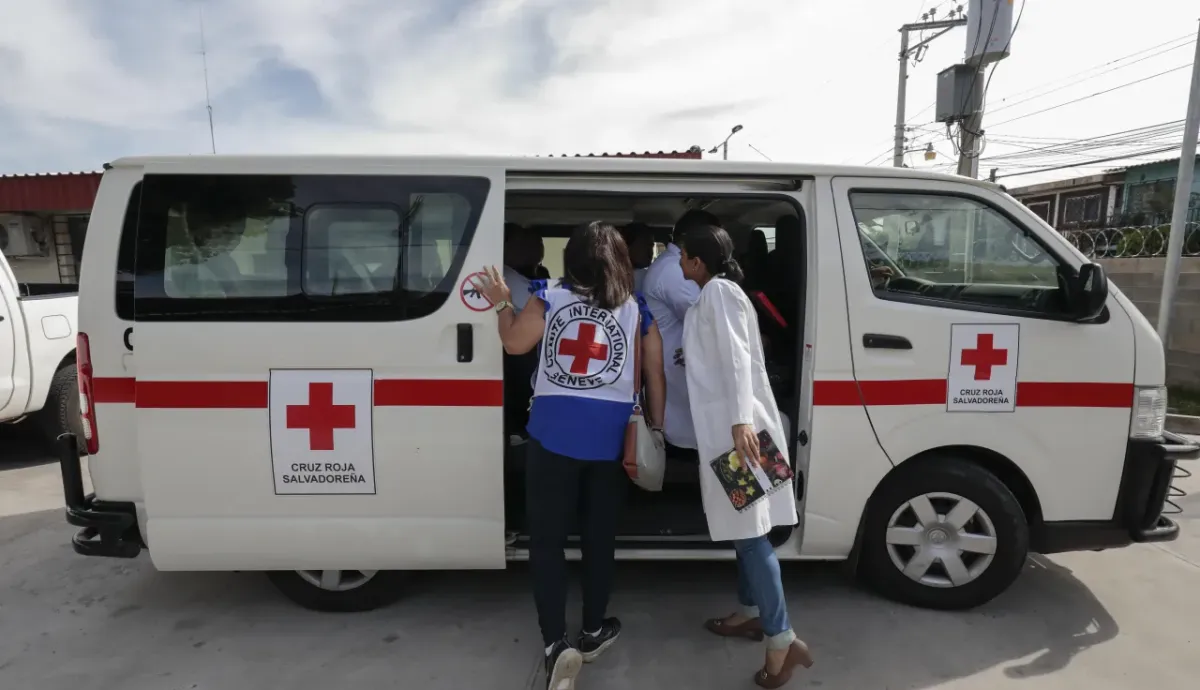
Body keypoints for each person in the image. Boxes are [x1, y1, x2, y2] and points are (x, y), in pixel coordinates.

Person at [471, 221, 667, 690]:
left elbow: (515, 343)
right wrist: (656, 428)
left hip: (551, 434)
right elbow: (655, 373)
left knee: (547, 542)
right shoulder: (637, 308)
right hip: (610, 438)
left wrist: (501, 302)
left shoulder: (547, 295)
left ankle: (556, 643)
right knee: (599, 539)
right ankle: (594, 631)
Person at [677, 223, 814, 689]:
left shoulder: (718, 291)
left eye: (682, 255)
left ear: (698, 261)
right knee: (747, 529)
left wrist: (739, 422)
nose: (678, 263)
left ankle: (782, 639)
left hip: (741, 434)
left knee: (752, 535)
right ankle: (751, 613)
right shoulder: (719, 293)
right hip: (741, 428)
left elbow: (737, 357)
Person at [640, 209, 720, 454]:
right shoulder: (673, 270)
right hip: (677, 369)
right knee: (694, 447)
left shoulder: (678, 267)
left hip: (685, 367)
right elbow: (710, 323)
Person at [620, 222, 655, 293]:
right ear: (627, 247)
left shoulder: (650, 276)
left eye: (651, 246)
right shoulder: (612, 279)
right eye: (644, 246)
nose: (650, 252)